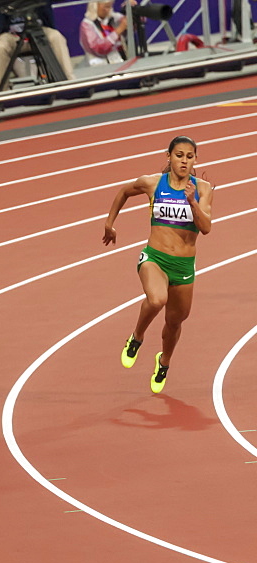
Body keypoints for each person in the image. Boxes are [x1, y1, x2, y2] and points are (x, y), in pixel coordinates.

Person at [103, 136, 214, 393]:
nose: (184, 161)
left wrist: (193, 202)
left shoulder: (203, 189)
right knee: (156, 299)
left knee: (175, 322)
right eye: (179, 155)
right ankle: (136, 338)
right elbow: (124, 192)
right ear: (169, 156)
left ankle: (163, 361)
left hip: (184, 267)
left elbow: (206, 228)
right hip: (155, 258)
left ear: (195, 159)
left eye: (189, 156)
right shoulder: (152, 183)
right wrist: (110, 222)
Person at [0, 0, 74, 90]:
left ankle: (69, 82)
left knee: (56, 37)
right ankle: (1, 91)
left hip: (39, 31)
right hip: (12, 36)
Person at [79, 0, 127, 67]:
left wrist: (130, 10)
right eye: (106, 7)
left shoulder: (112, 18)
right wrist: (118, 31)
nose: (108, 10)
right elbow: (98, 48)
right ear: (95, 6)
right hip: (98, 67)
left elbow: (129, 23)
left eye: (110, 6)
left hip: (118, 63)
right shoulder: (87, 24)